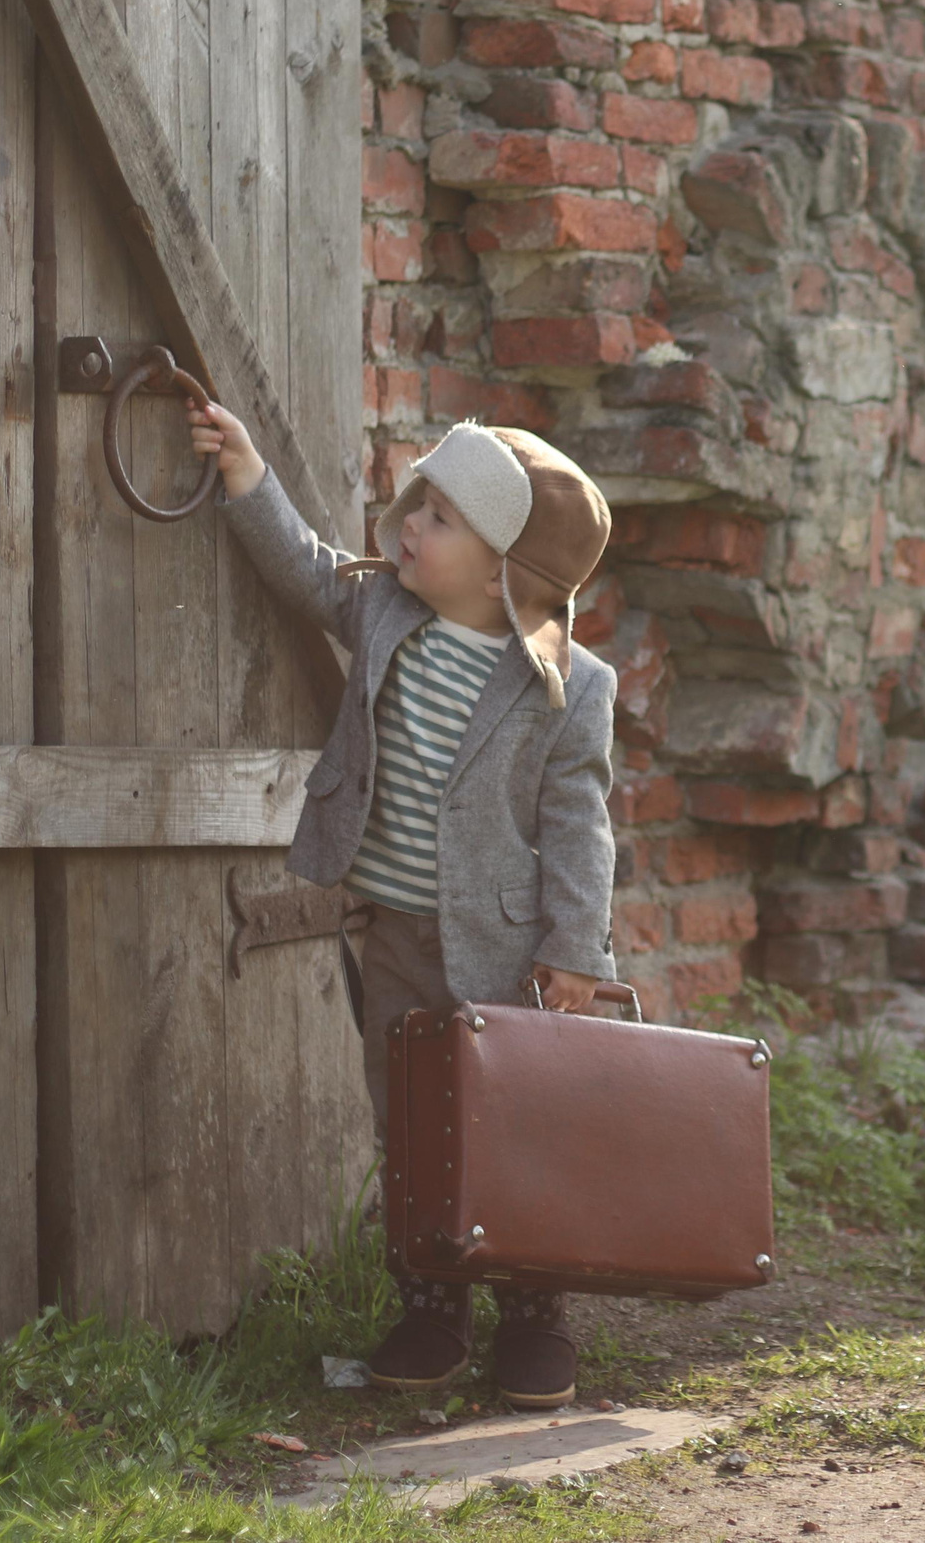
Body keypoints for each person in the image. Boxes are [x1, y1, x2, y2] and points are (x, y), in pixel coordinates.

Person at [188, 401, 616, 1407]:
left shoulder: (568, 687)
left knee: (519, 1130)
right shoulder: (385, 612)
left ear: (505, 565)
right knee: (410, 1124)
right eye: (416, 503)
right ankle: (430, 1306)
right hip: (395, 938)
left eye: (441, 517)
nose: (410, 524)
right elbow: (304, 567)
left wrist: (575, 953)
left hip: (510, 954)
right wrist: (250, 471)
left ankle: (534, 1312)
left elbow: (579, 826)